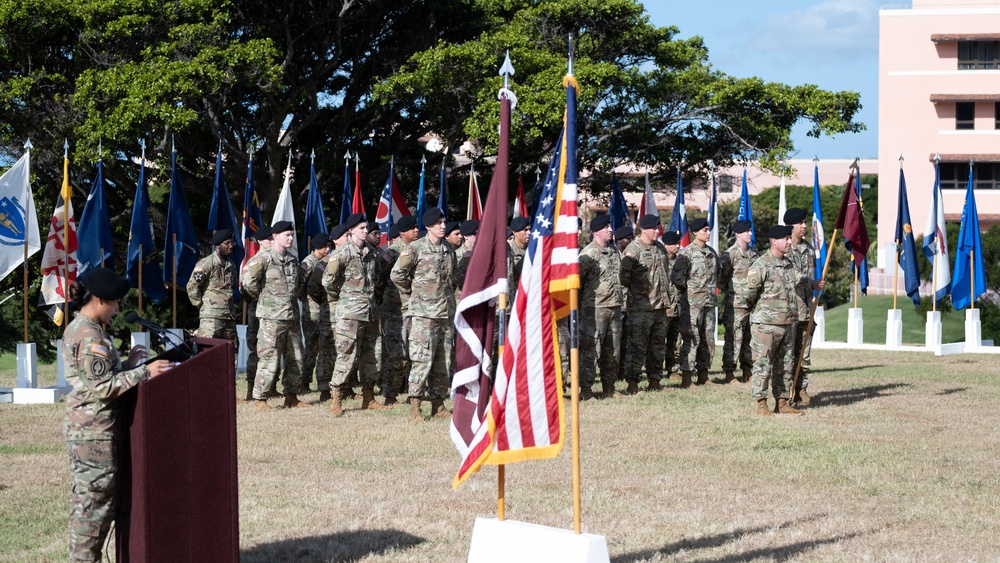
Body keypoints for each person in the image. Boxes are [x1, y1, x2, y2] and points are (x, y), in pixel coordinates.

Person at [63, 268, 171, 561]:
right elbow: (102, 388)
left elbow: (101, 377)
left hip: (94, 431)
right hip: (93, 435)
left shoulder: (88, 329)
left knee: (95, 504)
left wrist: (126, 365)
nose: (117, 309)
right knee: (93, 508)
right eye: (115, 303)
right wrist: (143, 372)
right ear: (99, 299)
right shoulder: (88, 335)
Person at [743, 225, 823, 416]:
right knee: (763, 365)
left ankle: (782, 402)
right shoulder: (761, 265)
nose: (789, 242)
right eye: (785, 239)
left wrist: (813, 284)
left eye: (789, 238)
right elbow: (748, 295)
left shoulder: (788, 264)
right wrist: (763, 314)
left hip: (788, 323)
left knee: (785, 365)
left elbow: (799, 279)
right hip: (766, 326)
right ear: (773, 241)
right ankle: (761, 404)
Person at [390, 208, 457, 421]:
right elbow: (397, 274)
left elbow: (451, 278)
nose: (443, 226)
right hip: (424, 316)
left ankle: (438, 405)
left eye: (444, 222)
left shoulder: (448, 249)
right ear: (428, 226)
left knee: (443, 362)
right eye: (438, 223)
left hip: (445, 313)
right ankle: (415, 407)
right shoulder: (415, 248)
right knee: (421, 360)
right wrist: (413, 293)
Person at [324, 214, 390, 415]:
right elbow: (328, 282)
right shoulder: (342, 253)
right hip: (350, 313)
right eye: (362, 228)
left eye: (366, 227)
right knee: (346, 355)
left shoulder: (372, 253)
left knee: (372, 356)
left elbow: (376, 279)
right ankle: (336, 399)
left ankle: (368, 398)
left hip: (370, 312)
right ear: (351, 231)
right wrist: (346, 298)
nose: (365, 231)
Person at [241, 220, 308, 410]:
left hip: (292, 317)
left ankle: (291, 396)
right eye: (287, 235)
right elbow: (248, 283)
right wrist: (265, 300)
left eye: (292, 235)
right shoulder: (263, 259)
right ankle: (260, 398)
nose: (290, 238)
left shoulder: (293, 260)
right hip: (271, 318)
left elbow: (298, 285)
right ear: (275, 237)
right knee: (269, 357)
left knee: (296, 357)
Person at [620, 214, 671, 394]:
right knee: (637, 346)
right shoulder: (634, 249)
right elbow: (624, 277)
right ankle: (632, 382)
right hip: (641, 307)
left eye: (659, 228)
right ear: (644, 229)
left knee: (658, 346)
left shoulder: (660, 248)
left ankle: (655, 380)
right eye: (654, 228)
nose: (658, 231)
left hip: (660, 307)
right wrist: (639, 293)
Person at [671, 217, 721, 387]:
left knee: (708, 340)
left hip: (708, 303)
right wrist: (690, 292)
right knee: (691, 339)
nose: (708, 233)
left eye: (708, 230)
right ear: (695, 232)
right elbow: (677, 278)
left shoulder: (712, 253)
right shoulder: (686, 253)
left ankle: (704, 375)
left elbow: (718, 276)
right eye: (704, 230)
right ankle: (686, 377)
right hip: (692, 304)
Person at [579, 214, 623, 399]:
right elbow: (577, 282)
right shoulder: (588, 254)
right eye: (606, 227)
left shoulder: (614, 251)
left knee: (613, 349)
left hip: (614, 307)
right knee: (591, 349)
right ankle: (586, 389)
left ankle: (609, 388)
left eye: (610, 226)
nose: (611, 230)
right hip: (595, 309)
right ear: (596, 231)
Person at [378, 216, 419, 405]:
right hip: (396, 309)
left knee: (415, 353)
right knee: (396, 353)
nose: (416, 230)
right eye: (412, 228)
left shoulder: (419, 249)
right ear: (402, 233)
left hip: (415, 308)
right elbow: (379, 280)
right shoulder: (392, 253)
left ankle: (413, 392)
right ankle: (390, 393)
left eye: (417, 227)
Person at [719, 219, 759, 383]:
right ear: (737, 234)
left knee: (749, 339)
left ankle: (747, 370)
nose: (750, 234)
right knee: (734, 339)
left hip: (752, 305)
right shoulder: (730, 255)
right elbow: (721, 279)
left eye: (750, 231)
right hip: (735, 305)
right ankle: (729, 372)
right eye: (747, 231)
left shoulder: (754, 255)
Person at [784, 207, 816, 404]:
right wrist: (810, 282)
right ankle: (787, 390)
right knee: (788, 353)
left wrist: (814, 288)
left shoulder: (809, 249)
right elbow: (789, 278)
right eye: (800, 223)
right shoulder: (783, 248)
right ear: (790, 226)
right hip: (788, 309)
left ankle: (801, 389)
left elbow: (810, 277)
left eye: (805, 222)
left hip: (806, 308)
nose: (804, 226)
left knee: (804, 353)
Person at [187, 228, 237, 343]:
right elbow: (192, 287)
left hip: (229, 316)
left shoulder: (231, 265)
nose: (230, 246)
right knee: (208, 351)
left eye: (232, 243)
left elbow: (232, 286)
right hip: (211, 318)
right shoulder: (206, 263)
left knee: (230, 353)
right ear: (217, 245)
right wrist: (202, 305)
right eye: (227, 243)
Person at [298, 232, 331, 394]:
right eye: (324, 246)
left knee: (324, 347)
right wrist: (311, 301)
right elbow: (300, 288)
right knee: (311, 348)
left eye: (328, 246)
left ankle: (323, 382)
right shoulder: (308, 263)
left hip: (324, 310)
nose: (327, 249)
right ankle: (305, 382)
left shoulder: (326, 262)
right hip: (311, 311)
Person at [242, 225, 272, 401]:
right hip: (256, 312)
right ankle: (251, 389)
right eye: (269, 239)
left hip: (271, 313)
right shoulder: (256, 261)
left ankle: (270, 386)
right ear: (261, 241)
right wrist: (260, 298)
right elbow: (246, 287)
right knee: (255, 350)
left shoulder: (275, 258)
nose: (272, 242)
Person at [660, 230, 682, 380]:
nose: (678, 246)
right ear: (665, 245)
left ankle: (673, 369)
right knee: (658, 341)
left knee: (675, 341)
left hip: (678, 307)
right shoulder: (660, 260)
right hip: (663, 308)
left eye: (678, 243)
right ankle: (654, 372)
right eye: (674, 244)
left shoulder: (681, 261)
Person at [614, 225, 635, 383]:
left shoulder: (632, 254)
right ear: (620, 240)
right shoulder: (613, 255)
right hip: (615, 306)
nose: (632, 241)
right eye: (629, 239)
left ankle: (624, 372)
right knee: (614, 343)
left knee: (627, 342)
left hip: (630, 305)